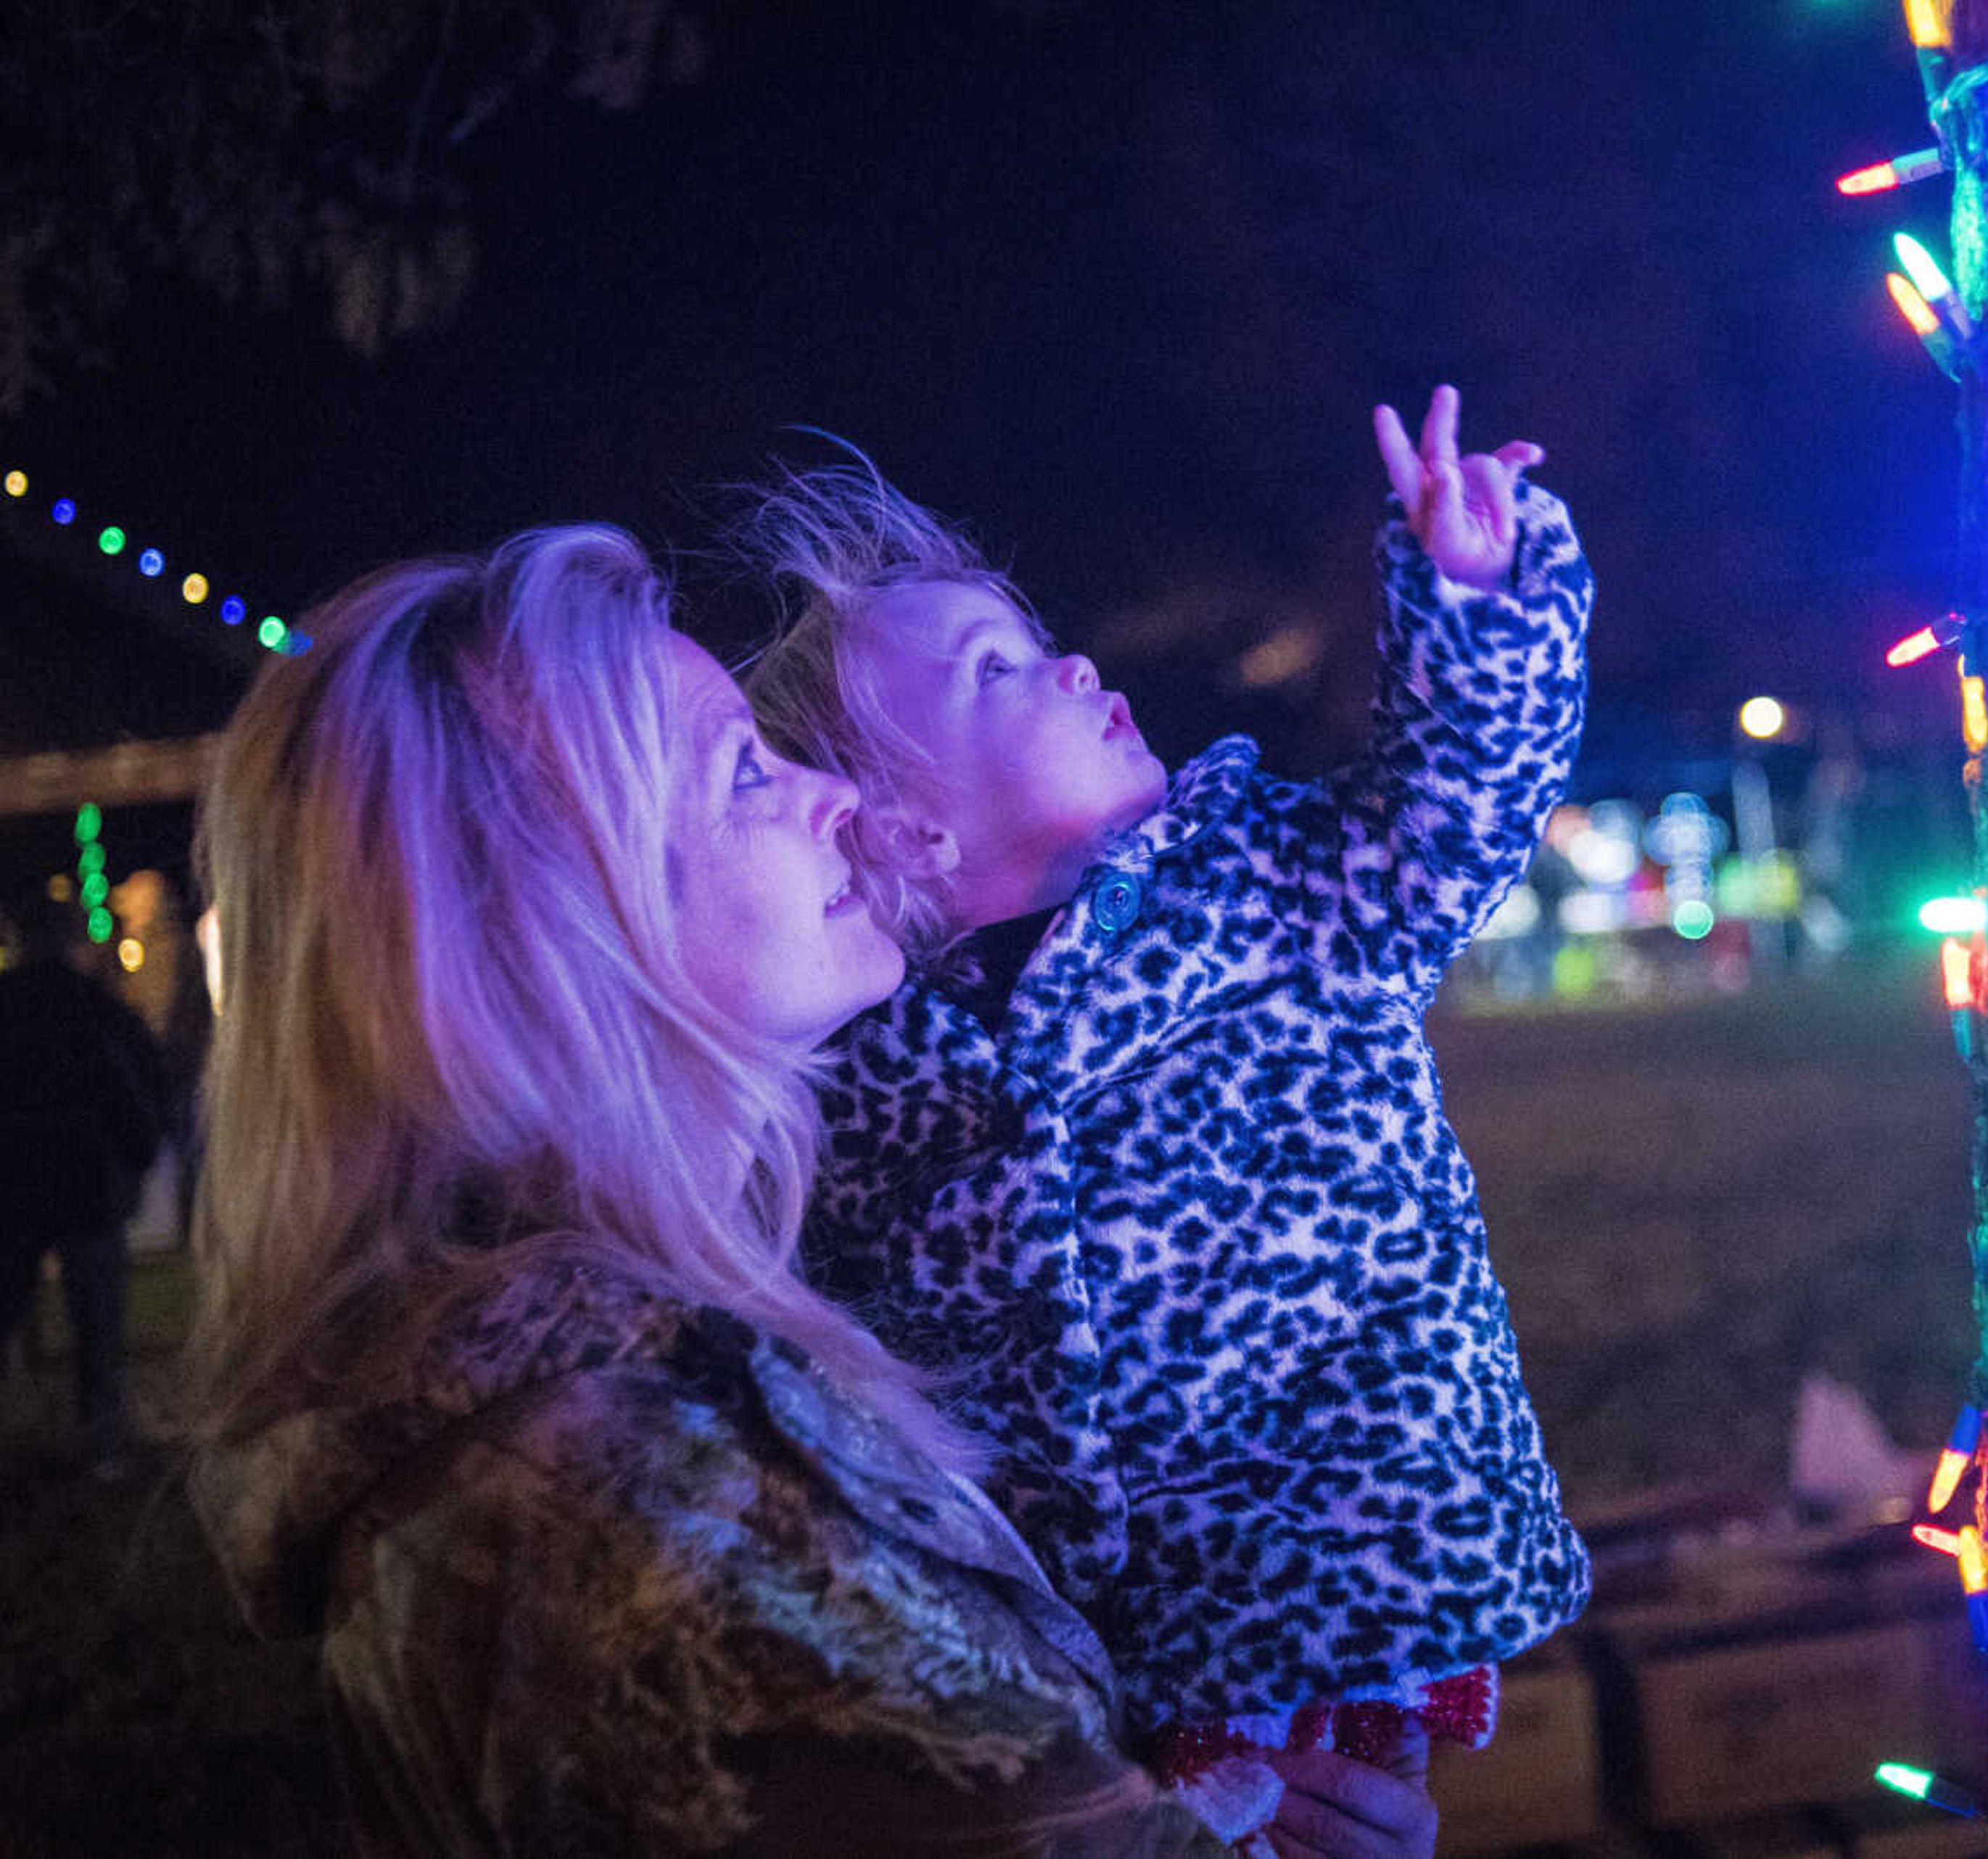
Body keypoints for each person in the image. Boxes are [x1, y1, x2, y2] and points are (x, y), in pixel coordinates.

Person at [184, 526, 1435, 1857]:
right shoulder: (645, 1510)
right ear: (556, 934)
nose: (830, 795)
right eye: (740, 773)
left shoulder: (583, 1387)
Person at [740, 387, 1595, 1834]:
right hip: (1091, 1645)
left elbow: (1461, 799)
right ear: (904, 828)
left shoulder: (1271, 883)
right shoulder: (860, 1057)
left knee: (1329, 1813)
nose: (1073, 665)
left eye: (1036, 638)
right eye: (998, 671)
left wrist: (1473, 597)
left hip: (1354, 1539)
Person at [0, 907, 168, 1467]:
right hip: (85, 1185)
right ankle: (101, 1441)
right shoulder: (95, 1008)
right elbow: (135, 1085)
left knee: (7, 1309)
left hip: (14, 1186)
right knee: (97, 1320)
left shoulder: (12, 1004)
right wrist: (140, 1157)